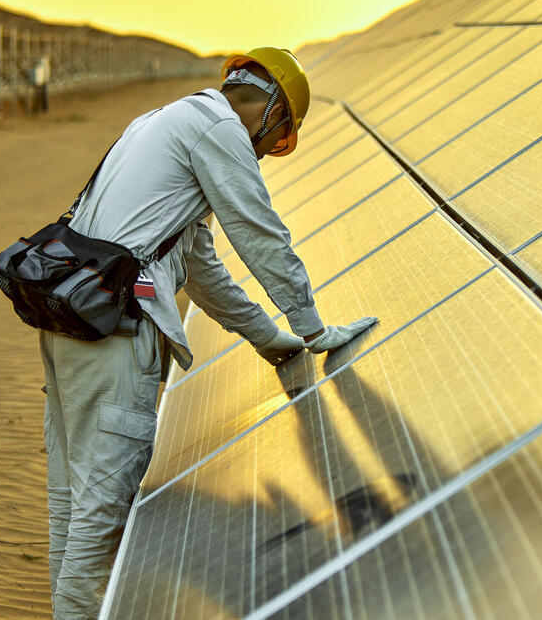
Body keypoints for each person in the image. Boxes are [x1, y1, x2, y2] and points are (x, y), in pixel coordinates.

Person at [37, 47, 376, 619]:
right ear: (271, 114)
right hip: (117, 336)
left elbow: (201, 269)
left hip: (68, 320)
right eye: (276, 140)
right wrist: (313, 328)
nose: (267, 154)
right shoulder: (220, 130)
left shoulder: (164, 121)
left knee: (73, 504)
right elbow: (260, 233)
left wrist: (273, 340)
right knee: (100, 516)